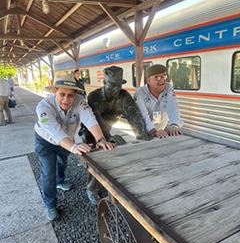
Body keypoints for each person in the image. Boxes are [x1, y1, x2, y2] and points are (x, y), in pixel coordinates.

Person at [34, 72, 115, 221]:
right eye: (62, 94)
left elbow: (90, 119)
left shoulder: (80, 101)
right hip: (45, 141)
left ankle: (60, 181)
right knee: (48, 173)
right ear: (54, 92)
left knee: (62, 162)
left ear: (75, 94)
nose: (66, 99)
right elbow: (54, 132)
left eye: (70, 95)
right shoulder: (44, 106)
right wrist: (73, 147)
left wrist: (101, 139)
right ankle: (50, 204)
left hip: (68, 140)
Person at [79, 65, 153, 205]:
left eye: (118, 85)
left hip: (107, 128)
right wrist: (107, 137)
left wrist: (141, 133)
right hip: (91, 130)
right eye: (112, 85)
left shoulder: (124, 96)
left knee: (113, 151)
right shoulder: (94, 96)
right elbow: (96, 118)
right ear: (105, 83)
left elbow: (133, 114)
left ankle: (111, 183)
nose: (116, 89)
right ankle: (91, 188)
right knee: (96, 158)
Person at [134, 64, 183, 139]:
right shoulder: (140, 93)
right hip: (145, 134)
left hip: (161, 132)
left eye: (164, 76)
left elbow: (173, 106)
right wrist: (153, 131)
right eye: (157, 77)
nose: (162, 80)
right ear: (148, 80)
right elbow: (142, 114)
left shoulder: (168, 88)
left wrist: (174, 125)